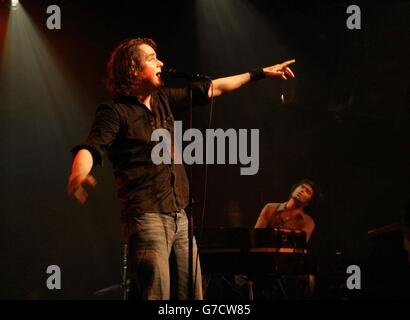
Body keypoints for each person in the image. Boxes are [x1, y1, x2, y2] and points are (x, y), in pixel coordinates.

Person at [67, 37, 296, 300]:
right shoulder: (115, 111)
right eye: (152, 58)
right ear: (132, 69)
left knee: (192, 295)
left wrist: (260, 74)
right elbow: (92, 146)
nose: (161, 62)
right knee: (156, 295)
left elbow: (214, 88)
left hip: (180, 217)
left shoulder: (162, 99)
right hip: (147, 216)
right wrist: (79, 172)